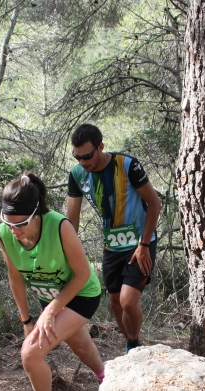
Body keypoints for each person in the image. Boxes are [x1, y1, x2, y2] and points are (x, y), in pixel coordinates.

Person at [0, 171, 106, 391]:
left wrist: (50, 312)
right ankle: (109, 381)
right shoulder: (5, 233)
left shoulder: (59, 226)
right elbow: (16, 278)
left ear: (37, 214)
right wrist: (26, 320)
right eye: (8, 222)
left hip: (81, 294)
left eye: (21, 223)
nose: (14, 230)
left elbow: (82, 275)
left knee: (30, 353)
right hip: (50, 297)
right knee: (79, 344)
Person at [66, 123, 161, 353]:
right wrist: (67, 255)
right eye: (77, 157)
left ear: (101, 147)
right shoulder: (78, 174)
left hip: (141, 242)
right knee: (115, 302)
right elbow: (72, 221)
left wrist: (145, 244)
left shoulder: (127, 165)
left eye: (87, 156)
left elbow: (155, 203)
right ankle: (131, 343)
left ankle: (135, 341)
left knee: (128, 301)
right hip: (112, 244)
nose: (83, 162)